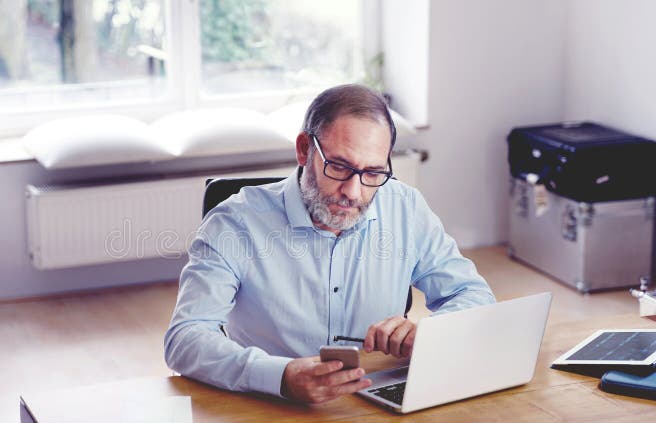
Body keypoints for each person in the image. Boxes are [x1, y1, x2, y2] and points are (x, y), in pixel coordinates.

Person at [164, 84, 495, 404]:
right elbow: (186, 337)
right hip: (267, 405)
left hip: (376, 398)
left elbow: (472, 294)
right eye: (339, 166)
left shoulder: (405, 207)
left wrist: (431, 333)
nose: (354, 192)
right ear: (304, 150)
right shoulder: (235, 222)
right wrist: (279, 376)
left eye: (373, 173)